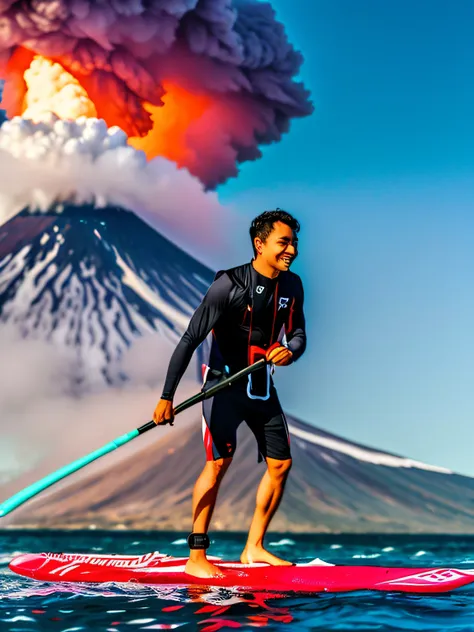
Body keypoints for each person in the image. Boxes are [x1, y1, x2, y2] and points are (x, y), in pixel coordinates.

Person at [153, 209, 307, 578]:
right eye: (283, 242)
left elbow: (298, 334)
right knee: (218, 464)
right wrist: (166, 397)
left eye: (294, 243)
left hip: (261, 388)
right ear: (260, 244)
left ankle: (253, 547)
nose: (292, 250)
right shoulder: (229, 284)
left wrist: (290, 352)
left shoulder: (292, 286)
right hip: (222, 386)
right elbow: (191, 338)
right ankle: (196, 556)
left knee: (281, 465)